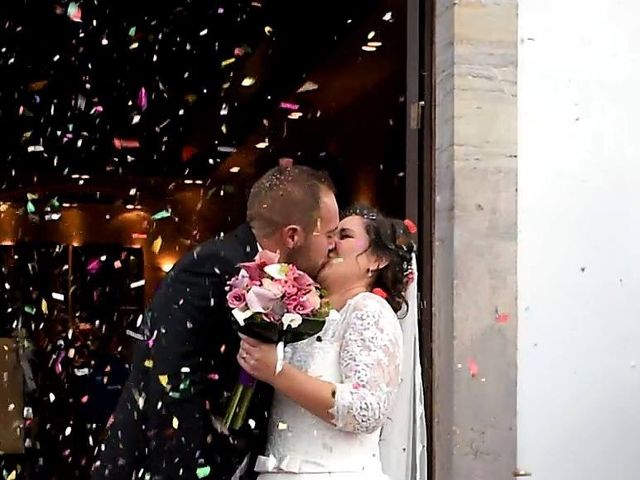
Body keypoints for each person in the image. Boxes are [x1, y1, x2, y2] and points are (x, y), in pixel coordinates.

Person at [92, 165, 339, 480]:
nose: (332, 246)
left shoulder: (280, 282)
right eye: (329, 234)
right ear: (292, 235)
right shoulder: (213, 266)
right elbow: (172, 384)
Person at [236, 206, 416, 479]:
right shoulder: (303, 314)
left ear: (377, 259)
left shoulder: (368, 310)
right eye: (329, 235)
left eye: (343, 235)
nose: (330, 244)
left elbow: (366, 410)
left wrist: (277, 371)